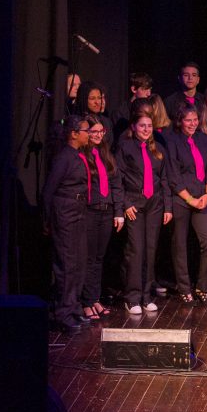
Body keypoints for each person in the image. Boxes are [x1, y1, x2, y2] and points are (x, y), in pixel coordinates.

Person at [42, 115, 93, 331]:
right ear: (74, 134)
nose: (89, 135)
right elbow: (48, 191)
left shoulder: (78, 156)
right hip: (65, 215)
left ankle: (73, 307)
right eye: (86, 131)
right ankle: (63, 312)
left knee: (79, 262)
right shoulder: (64, 157)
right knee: (67, 264)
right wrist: (47, 220)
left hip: (79, 213)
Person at [118, 113, 173, 314]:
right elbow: (118, 178)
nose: (146, 129)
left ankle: (146, 295)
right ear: (134, 126)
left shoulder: (158, 149)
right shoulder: (126, 147)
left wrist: (168, 207)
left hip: (155, 204)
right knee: (136, 250)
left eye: (149, 126)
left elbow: (165, 179)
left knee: (150, 250)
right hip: (134, 203)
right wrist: (125, 203)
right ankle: (132, 297)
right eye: (142, 125)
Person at [164, 104, 207, 305]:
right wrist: (190, 199)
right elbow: (173, 176)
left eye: (195, 120)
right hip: (182, 198)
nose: (193, 124)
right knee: (180, 244)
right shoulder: (173, 141)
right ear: (180, 121)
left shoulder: (204, 139)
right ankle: (184, 288)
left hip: (202, 196)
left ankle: (202, 287)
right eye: (188, 120)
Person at [82, 118, 124, 320]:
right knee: (88, 259)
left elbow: (116, 183)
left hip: (106, 211)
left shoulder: (106, 154)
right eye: (94, 131)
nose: (98, 135)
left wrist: (118, 211)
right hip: (90, 211)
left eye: (101, 131)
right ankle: (86, 302)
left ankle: (94, 298)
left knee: (99, 258)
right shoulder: (83, 155)